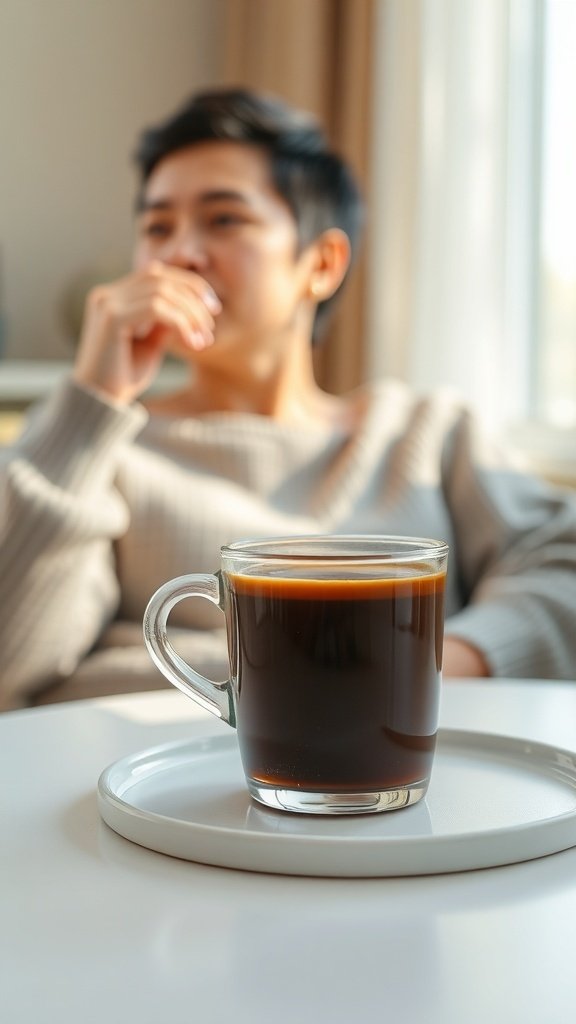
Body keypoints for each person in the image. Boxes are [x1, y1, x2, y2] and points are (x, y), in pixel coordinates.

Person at [2, 86, 576, 711]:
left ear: (323, 263)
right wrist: (92, 399)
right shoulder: (97, 446)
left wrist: (443, 665)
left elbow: (561, 571)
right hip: (150, 785)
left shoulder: (426, 433)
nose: (178, 254)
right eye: (156, 226)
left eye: (224, 219)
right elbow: (15, 665)